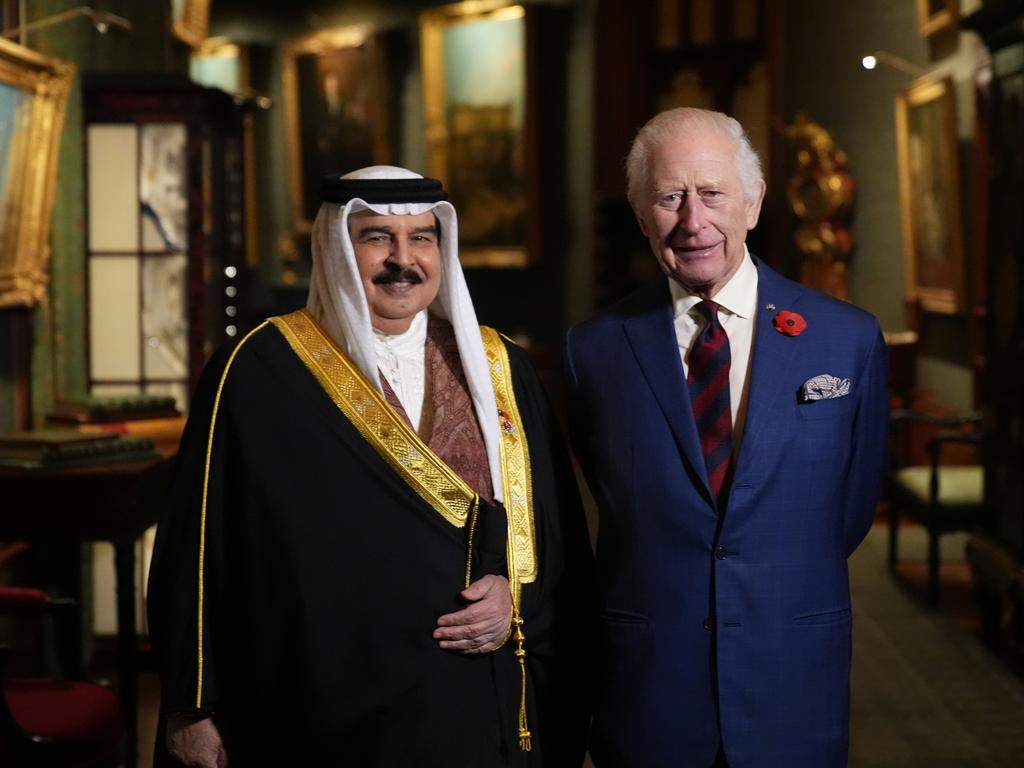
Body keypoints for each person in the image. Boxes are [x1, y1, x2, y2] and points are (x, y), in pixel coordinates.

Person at [148, 165, 591, 767]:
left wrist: (517, 599)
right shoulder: (258, 369)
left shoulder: (499, 366)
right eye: (377, 237)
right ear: (336, 247)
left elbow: (552, 526)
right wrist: (192, 705)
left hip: (467, 703)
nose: (402, 259)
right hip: (320, 708)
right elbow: (196, 550)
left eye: (422, 238)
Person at [564, 108, 888, 767]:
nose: (693, 221)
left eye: (712, 193)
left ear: (754, 201)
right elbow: (600, 506)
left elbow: (848, 515)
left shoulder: (847, 340)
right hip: (649, 691)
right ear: (638, 210)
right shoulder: (591, 352)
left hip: (793, 679)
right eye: (669, 197)